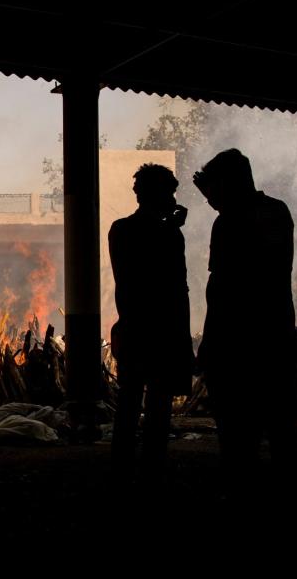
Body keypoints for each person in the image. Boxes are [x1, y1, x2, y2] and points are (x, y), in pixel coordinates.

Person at [193, 148, 297, 484]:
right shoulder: (277, 212)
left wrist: (208, 346)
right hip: (276, 335)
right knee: (281, 421)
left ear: (227, 184)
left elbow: (223, 289)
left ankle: (241, 487)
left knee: (237, 429)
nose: (210, 201)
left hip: (236, 343)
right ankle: (289, 485)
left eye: (212, 192)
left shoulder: (229, 222)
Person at [108, 163, 194, 475]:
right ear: (155, 195)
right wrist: (171, 229)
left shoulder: (120, 230)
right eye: (169, 192)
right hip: (160, 331)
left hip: (133, 328)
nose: (172, 198)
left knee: (129, 401)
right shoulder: (166, 235)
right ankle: (152, 467)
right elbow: (171, 285)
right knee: (158, 403)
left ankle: (123, 466)